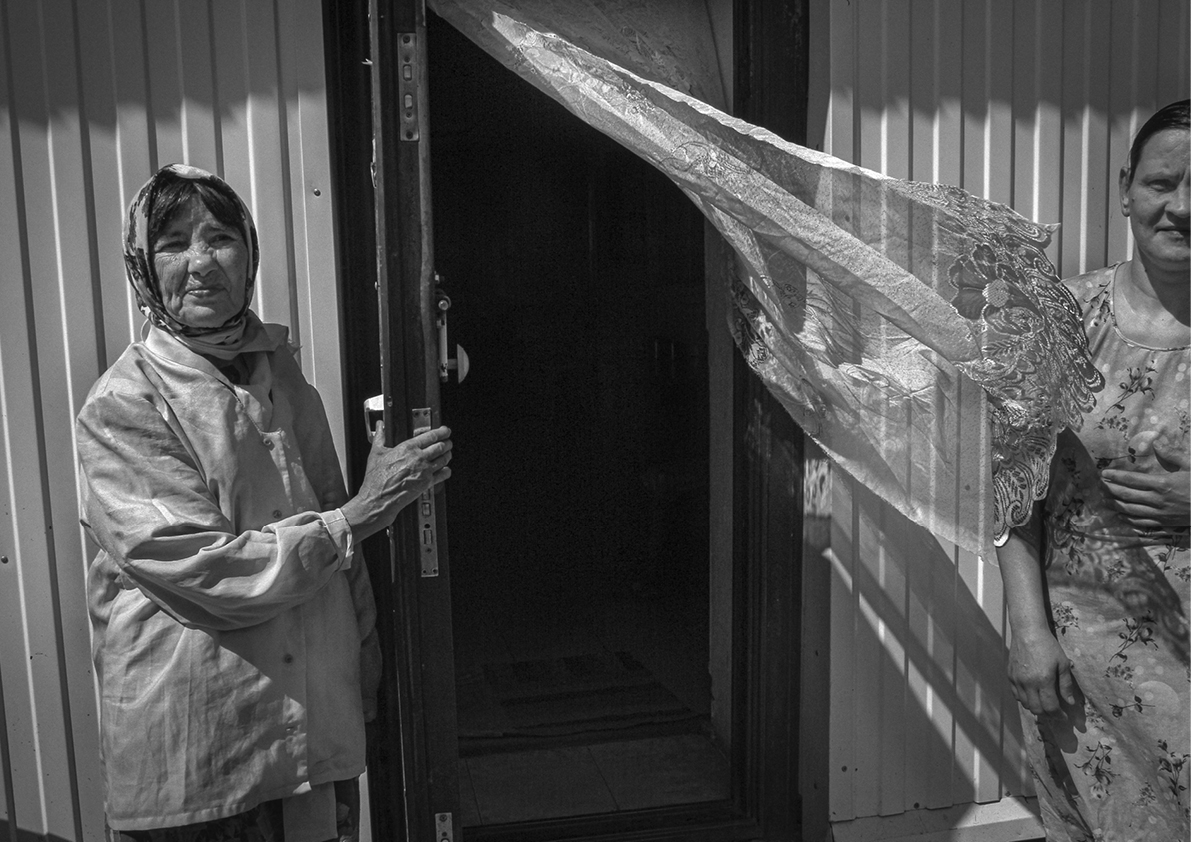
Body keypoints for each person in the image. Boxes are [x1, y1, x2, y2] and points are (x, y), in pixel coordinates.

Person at [76, 163, 453, 841]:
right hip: (201, 739)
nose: (200, 263)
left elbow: (333, 524)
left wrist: (363, 656)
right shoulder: (124, 404)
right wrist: (362, 514)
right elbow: (202, 570)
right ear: (142, 266)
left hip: (310, 722)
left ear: (249, 253)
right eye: (173, 244)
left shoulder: (279, 373)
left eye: (220, 238)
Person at [997, 100, 1190, 840]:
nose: (1181, 208)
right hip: (1085, 657)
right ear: (1125, 188)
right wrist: (1027, 630)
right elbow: (1010, 488)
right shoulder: (1062, 321)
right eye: (1161, 183)